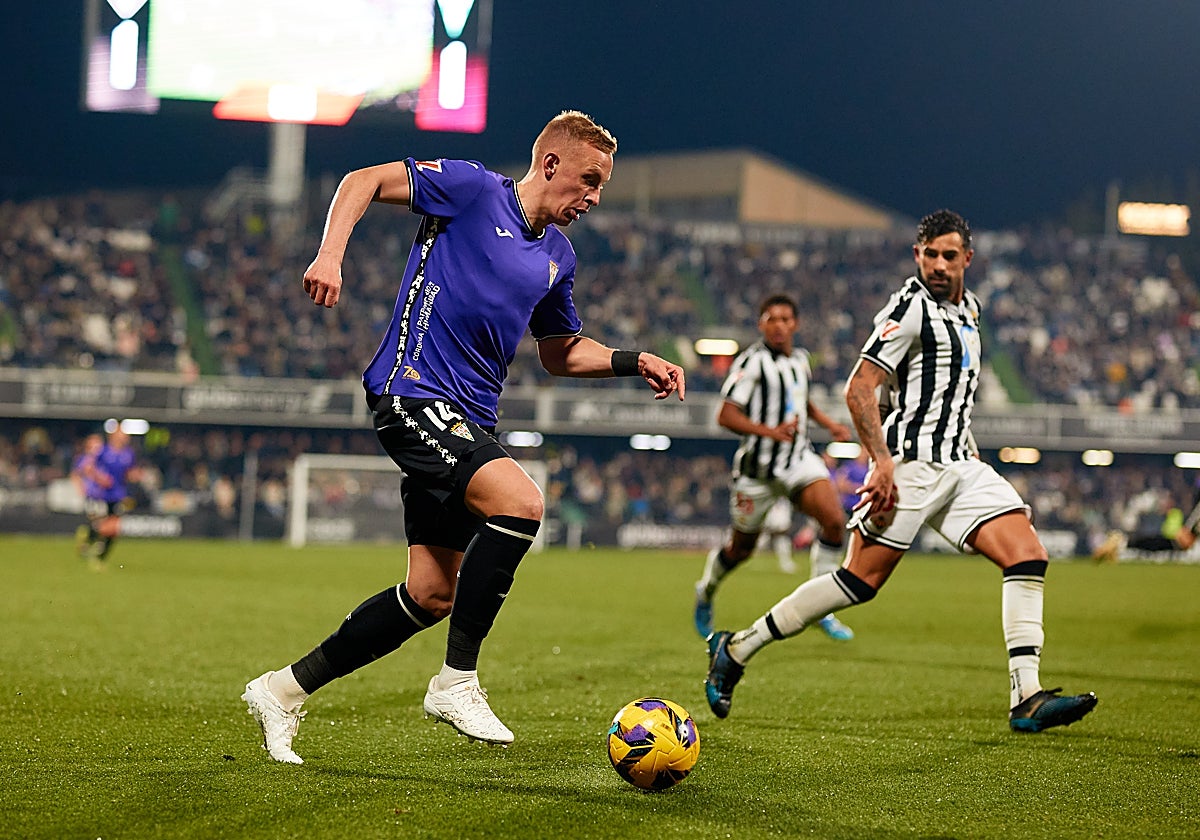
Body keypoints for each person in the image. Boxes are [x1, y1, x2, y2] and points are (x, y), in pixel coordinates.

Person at [241, 110, 685, 763]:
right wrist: (330, 253)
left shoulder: (558, 256)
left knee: (430, 593)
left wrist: (631, 359)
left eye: (603, 187)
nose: (593, 198)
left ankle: (281, 690)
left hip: (469, 419)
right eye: (589, 180)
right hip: (411, 390)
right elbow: (361, 179)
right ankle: (456, 680)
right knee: (521, 502)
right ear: (552, 164)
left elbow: (559, 353)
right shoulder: (474, 190)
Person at [705, 210, 1098, 733]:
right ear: (918, 256)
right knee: (858, 582)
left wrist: (970, 449)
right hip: (911, 466)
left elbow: (949, 395)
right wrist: (882, 460)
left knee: (1028, 555)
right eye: (929, 254)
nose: (938, 265)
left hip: (961, 463)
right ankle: (736, 648)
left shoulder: (971, 311)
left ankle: (1026, 696)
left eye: (948, 256)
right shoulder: (909, 308)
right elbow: (859, 387)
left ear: (968, 260)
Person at [693, 293, 855, 643]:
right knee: (741, 551)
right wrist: (771, 432)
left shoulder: (800, 359)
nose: (779, 325)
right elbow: (726, 415)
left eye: (785, 319)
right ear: (761, 324)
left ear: (795, 324)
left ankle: (819, 608)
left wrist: (829, 423)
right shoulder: (751, 363)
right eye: (772, 319)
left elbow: (801, 399)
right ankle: (705, 591)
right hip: (757, 472)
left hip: (798, 460)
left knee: (833, 522)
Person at [71, 427, 139, 565]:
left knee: (114, 528)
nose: (125, 437)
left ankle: (97, 552)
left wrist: (134, 476)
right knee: (104, 524)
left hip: (118, 494)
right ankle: (90, 538)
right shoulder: (103, 451)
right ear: (113, 436)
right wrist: (99, 478)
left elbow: (130, 472)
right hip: (102, 493)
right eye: (122, 434)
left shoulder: (128, 454)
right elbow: (87, 467)